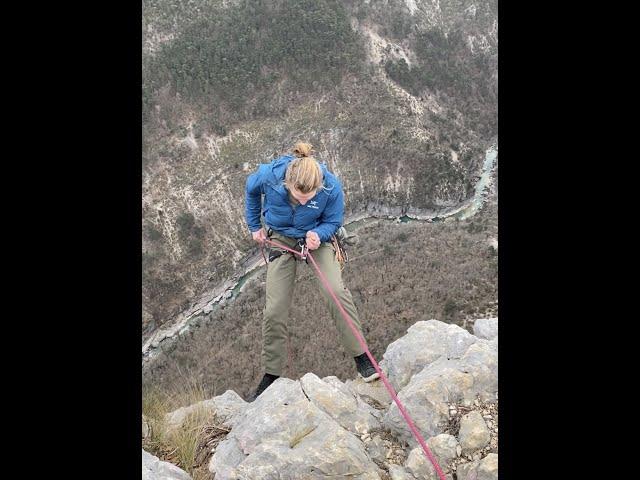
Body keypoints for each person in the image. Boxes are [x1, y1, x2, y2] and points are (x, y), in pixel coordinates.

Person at [245, 141, 379, 401]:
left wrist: (319, 234)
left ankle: (362, 357)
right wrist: (254, 225)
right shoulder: (269, 176)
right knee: (275, 308)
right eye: (297, 196)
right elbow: (251, 191)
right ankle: (271, 373)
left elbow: (334, 220)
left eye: (309, 198)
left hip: (315, 237)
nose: (302, 200)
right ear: (288, 183)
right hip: (282, 237)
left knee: (336, 292)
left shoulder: (330, 186)